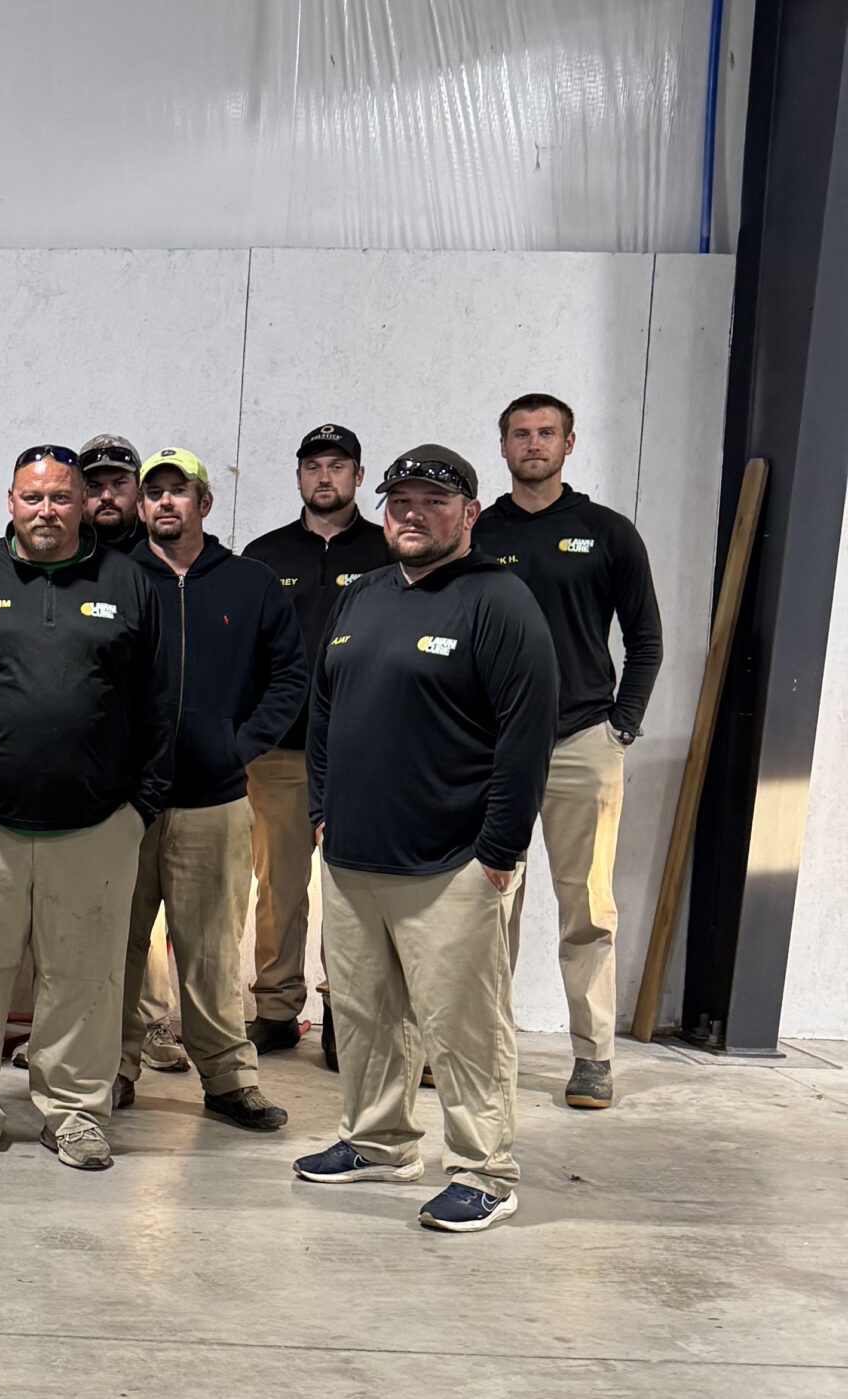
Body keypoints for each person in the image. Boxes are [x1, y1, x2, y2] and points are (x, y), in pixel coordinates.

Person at [294, 444, 557, 1234]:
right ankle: (379, 1140)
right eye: (399, 500)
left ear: (469, 513)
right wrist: (320, 809)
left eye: (432, 502)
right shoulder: (364, 593)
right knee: (369, 1019)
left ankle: (484, 1169)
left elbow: (525, 736)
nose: (411, 513)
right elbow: (325, 709)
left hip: (451, 864)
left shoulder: (498, 601)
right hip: (351, 858)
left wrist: (499, 851)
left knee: (464, 1027)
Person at [0, 444, 172, 1172]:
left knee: (84, 974)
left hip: (95, 824)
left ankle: (76, 1112)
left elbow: (159, 705)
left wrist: (137, 807)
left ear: (84, 503)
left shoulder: (130, 583)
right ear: (10, 502)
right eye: (33, 497)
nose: (46, 511)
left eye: (61, 497)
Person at [471, 393, 662, 1111]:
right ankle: (485, 1049)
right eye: (520, 433)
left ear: (570, 443)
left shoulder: (606, 532)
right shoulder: (477, 532)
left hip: (584, 740)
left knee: (587, 906)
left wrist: (622, 726)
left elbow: (645, 639)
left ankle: (593, 1058)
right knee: (488, 905)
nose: (533, 443)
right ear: (502, 446)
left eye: (546, 432)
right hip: (493, 747)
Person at [115, 448, 303, 1130]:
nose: (167, 502)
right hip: (126, 805)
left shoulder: (251, 583)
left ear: (204, 503)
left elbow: (290, 675)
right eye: (155, 492)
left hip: (216, 798)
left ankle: (228, 1079)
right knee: (119, 946)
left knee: (214, 948)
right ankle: (115, 1069)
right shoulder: (115, 579)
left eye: (180, 491)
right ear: (141, 507)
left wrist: (240, 744)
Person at [240, 424, 393, 1054]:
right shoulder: (264, 555)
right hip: (279, 752)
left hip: (363, 757)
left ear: (358, 476)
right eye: (313, 466)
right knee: (278, 886)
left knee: (352, 890)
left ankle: (345, 1019)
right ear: (299, 477)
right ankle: (276, 1009)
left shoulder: (389, 553)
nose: (324, 477)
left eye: (338, 466)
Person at [78, 434, 146, 552]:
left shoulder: (162, 544)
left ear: (139, 489)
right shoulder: (64, 547)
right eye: (94, 486)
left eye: (118, 484)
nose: (106, 496)